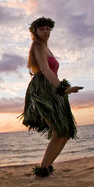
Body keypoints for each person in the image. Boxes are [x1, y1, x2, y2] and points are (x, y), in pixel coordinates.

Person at [19, 17, 83, 178]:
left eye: (48, 29)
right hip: (46, 90)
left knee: (66, 132)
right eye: (42, 29)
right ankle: (42, 170)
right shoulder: (37, 46)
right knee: (59, 131)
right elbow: (46, 70)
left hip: (53, 89)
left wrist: (60, 89)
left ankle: (46, 167)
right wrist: (63, 89)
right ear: (35, 32)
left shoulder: (47, 48)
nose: (46, 31)